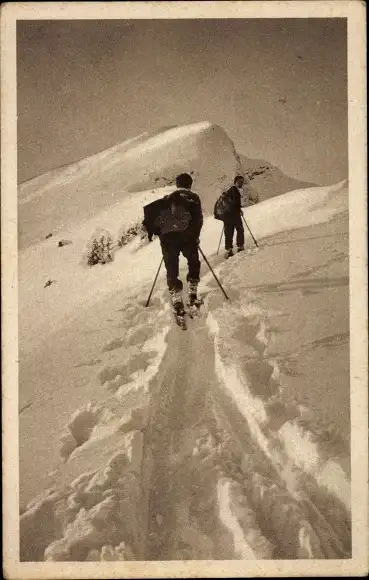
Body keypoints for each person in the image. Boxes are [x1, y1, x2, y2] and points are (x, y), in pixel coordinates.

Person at [148, 173, 203, 313]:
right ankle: (193, 290)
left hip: (169, 239)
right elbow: (198, 220)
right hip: (188, 237)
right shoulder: (194, 198)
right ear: (190, 184)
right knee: (193, 261)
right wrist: (195, 237)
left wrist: (163, 237)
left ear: (177, 184)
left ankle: (175, 294)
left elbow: (159, 220)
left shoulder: (168, 198)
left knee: (171, 264)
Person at [223, 175, 245, 258]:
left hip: (227, 216)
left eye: (242, 182)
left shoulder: (230, 191)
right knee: (240, 230)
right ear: (235, 182)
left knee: (229, 233)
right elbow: (235, 204)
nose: (241, 183)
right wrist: (239, 210)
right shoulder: (234, 190)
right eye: (239, 182)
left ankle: (229, 250)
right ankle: (240, 247)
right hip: (234, 215)